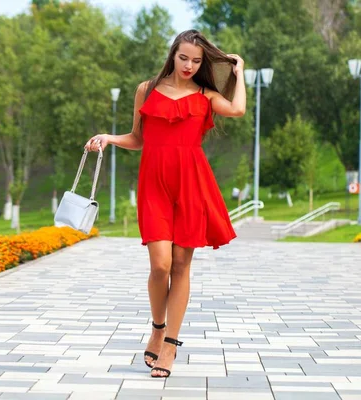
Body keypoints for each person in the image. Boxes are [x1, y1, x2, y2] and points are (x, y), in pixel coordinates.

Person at [85, 30, 246, 378]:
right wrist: (108, 138)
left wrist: (239, 72)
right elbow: (138, 138)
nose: (189, 65)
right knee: (160, 264)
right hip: (154, 185)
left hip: (192, 184)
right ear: (173, 54)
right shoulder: (147, 89)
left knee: (180, 266)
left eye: (197, 60)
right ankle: (158, 327)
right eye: (184, 57)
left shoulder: (205, 95)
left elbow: (238, 108)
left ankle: (170, 345)